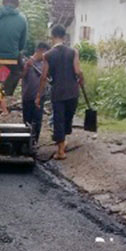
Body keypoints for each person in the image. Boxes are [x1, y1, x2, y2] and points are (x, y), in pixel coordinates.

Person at [37, 25, 82, 160]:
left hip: (58, 91)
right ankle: (62, 142)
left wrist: (39, 95)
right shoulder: (73, 52)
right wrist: (82, 80)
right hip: (73, 91)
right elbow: (78, 71)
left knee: (59, 118)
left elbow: (43, 77)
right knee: (68, 117)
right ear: (64, 36)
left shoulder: (48, 55)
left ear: (52, 37)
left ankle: (61, 149)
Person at [21, 42, 51, 143]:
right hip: (27, 96)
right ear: (39, 51)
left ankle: (35, 142)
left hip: (40, 97)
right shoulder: (27, 61)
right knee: (27, 120)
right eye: (45, 53)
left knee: (37, 121)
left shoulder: (45, 63)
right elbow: (21, 75)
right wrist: (27, 67)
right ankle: (25, 141)